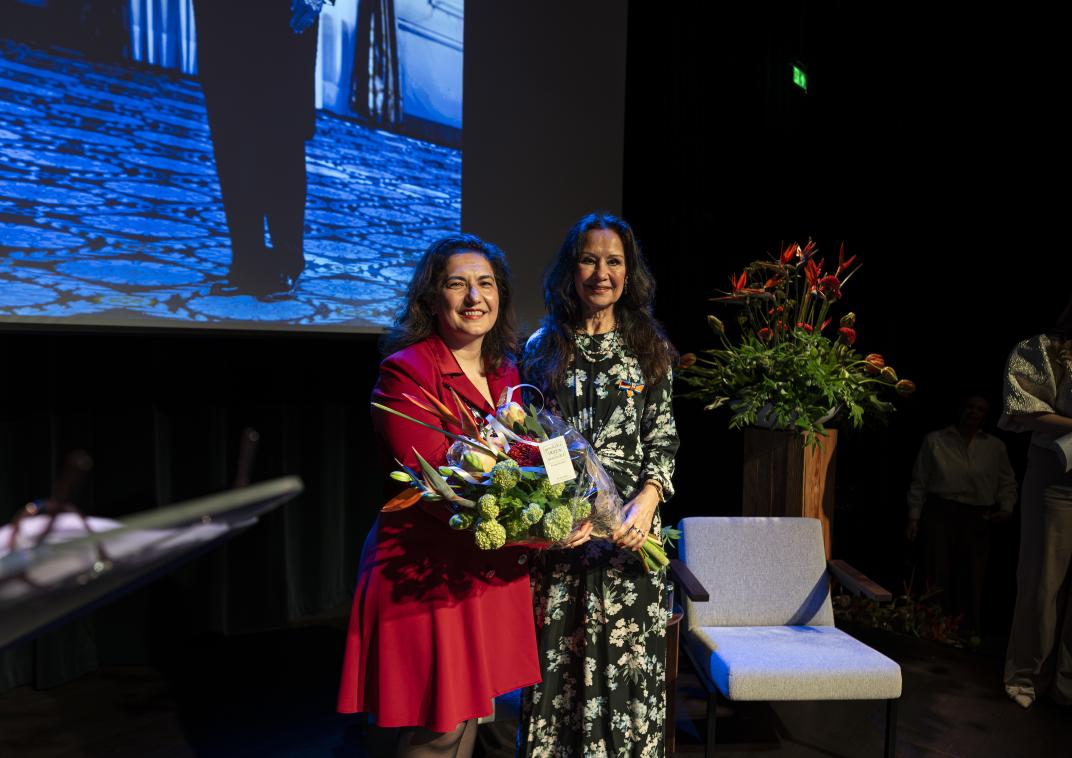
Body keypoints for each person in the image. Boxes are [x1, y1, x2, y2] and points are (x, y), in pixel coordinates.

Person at [337, 234, 540, 756]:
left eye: (486, 284)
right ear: (432, 300)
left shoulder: (508, 371)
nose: (475, 297)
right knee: (440, 731)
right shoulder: (407, 371)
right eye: (457, 284)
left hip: (485, 570)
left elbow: (529, 463)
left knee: (480, 716)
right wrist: (542, 532)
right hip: (426, 573)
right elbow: (440, 490)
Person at [519, 212, 679, 757]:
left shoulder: (650, 347)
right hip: (565, 547)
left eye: (614, 261)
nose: (601, 272)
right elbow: (534, 445)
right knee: (557, 685)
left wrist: (646, 505)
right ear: (571, 267)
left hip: (632, 547)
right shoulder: (541, 348)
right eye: (589, 259)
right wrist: (563, 515)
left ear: (630, 272)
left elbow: (664, 441)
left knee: (629, 688)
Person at [192, 0, 323, 296]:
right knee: (229, 132)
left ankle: (286, 260)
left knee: (280, 131)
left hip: (282, 12)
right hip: (220, 13)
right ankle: (245, 258)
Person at [1000, 299, 1072, 709]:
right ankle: (1026, 676)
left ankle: (1066, 683)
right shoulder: (1043, 348)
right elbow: (1025, 409)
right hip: (1058, 477)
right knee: (1043, 582)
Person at [905, 394, 1017, 632]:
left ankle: (966, 632)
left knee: (971, 575)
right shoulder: (935, 440)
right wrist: (914, 518)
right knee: (936, 573)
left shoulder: (995, 447)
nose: (973, 413)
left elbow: (1007, 482)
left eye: (980, 409)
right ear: (960, 409)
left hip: (976, 516)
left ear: (986, 416)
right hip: (940, 511)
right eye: (969, 407)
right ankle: (931, 627)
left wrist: (1006, 508)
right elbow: (919, 481)